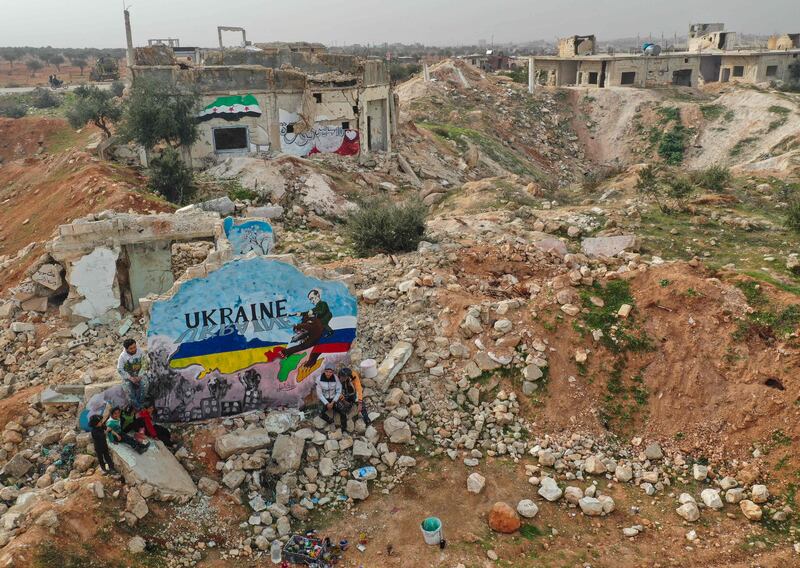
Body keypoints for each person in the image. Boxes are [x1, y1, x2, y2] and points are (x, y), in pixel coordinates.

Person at [117, 339, 149, 411]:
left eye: (134, 347)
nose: (133, 349)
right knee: (128, 389)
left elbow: (145, 363)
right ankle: (136, 407)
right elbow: (120, 369)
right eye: (131, 348)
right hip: (128, 377)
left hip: (139, 374)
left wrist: (139, 376)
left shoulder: (140, 352)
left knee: (145, 384)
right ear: (126, 349)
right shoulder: (122, 357)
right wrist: (130, 378)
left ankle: (141, 402)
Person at [316, 366, 348, 431]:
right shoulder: (319, 379)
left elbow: (338, 391)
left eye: (330, 372)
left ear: (333, 372)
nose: (328, 373)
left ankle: (344, 429)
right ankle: (331, 421)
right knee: (320, 413)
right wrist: (327, 403)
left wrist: (333, 402)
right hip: (324, 399)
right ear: (324, 371)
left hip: (334, 399)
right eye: (326, 371)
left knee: (343, 411)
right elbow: (319, 394)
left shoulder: (335, 378)